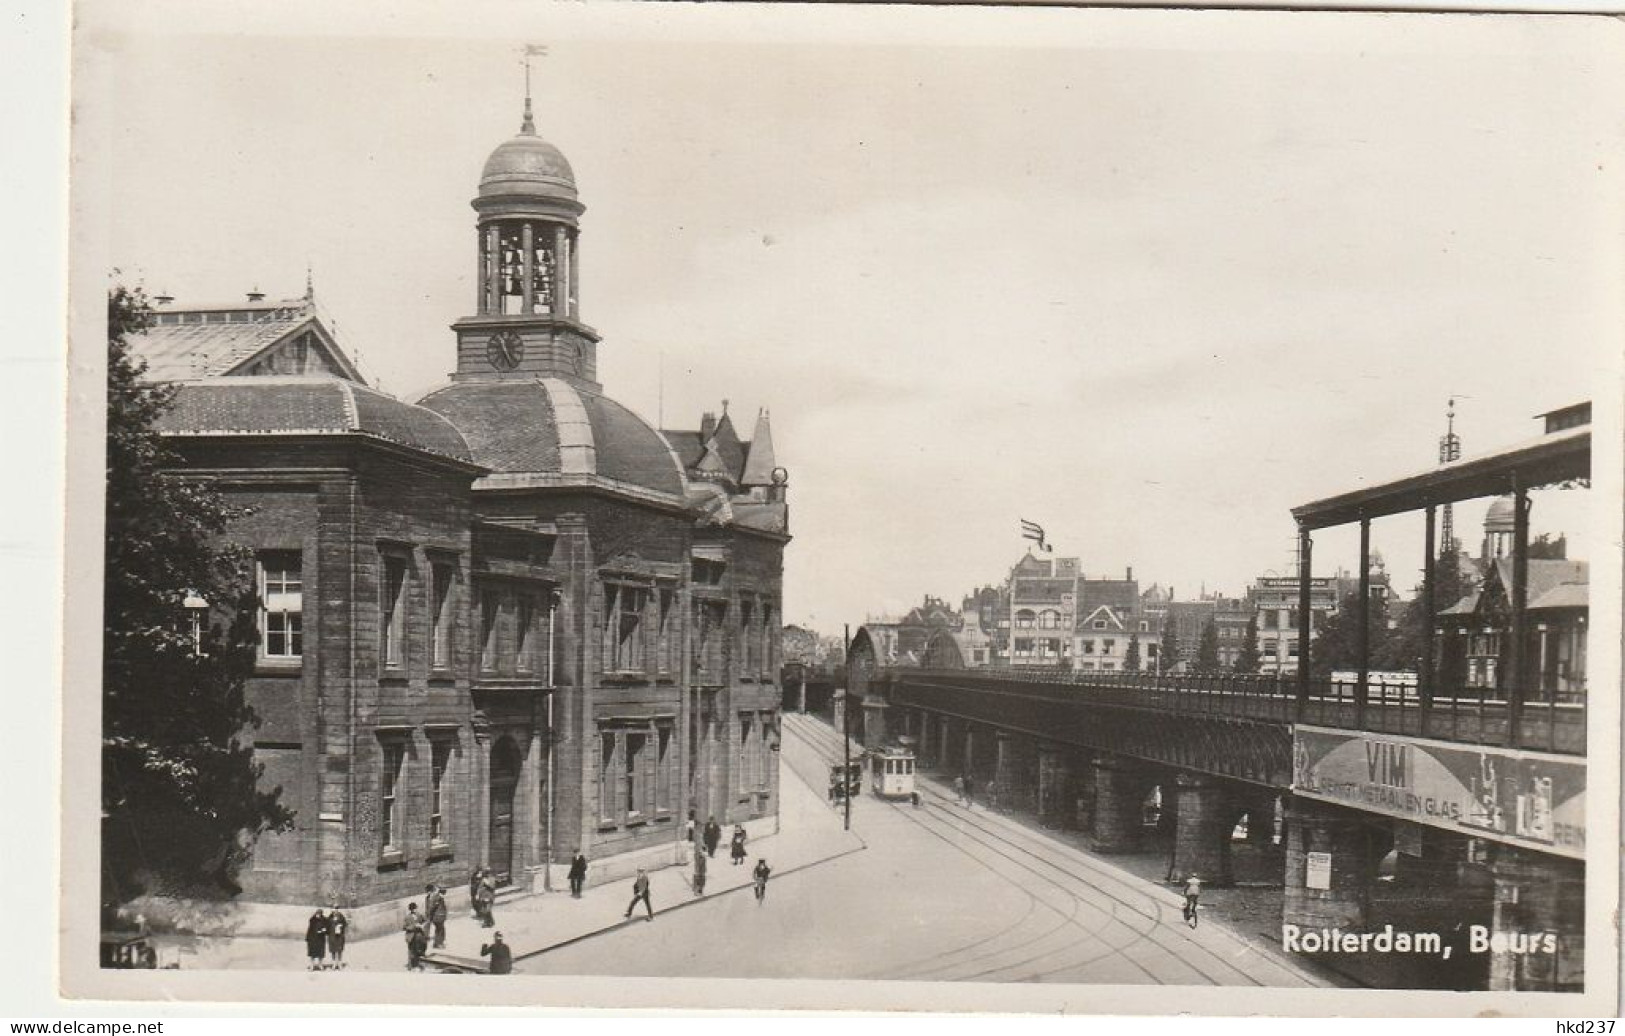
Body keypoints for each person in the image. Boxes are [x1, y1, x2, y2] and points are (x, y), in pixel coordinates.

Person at [402, 903, 428, 971]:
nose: (416, 910)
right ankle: (411, 966)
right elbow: (404, 927)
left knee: (422, 947)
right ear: (411, 910)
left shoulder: (419, 914)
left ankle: (421, 963)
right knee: (412, 951)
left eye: (416, 908)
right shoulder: (407, 917)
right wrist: (414, 926)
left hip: (419, 934)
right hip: (411, 936)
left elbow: (425, 920)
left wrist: (422, 925)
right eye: (415, 909)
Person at [325, 906, 348, 970]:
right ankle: (334, 964)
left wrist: (341, 925)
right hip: (332, 936)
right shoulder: (330, 917)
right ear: (331, 910)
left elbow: (345, 924)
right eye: (333, 909)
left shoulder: (341, 916)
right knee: (333, 950)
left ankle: (340, 964)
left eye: (336, 909)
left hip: (339, 936)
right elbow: (326, 925)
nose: (335, 910)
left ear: (338, 910)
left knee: (339, 950)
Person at [426, 883, 448, 949]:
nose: (445, 892)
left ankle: (438, 943)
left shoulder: (439, 897)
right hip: (437, 917)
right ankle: (438, 944)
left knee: (440, 929)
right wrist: (430, 916)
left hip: (439, 916)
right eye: (444, 891)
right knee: (439, 929)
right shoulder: (437, 897)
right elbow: (432, 907)